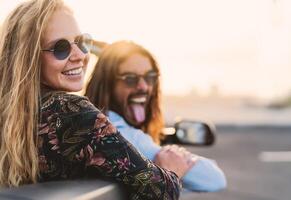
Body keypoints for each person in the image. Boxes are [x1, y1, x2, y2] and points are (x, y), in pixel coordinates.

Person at [0, 1, 183, 199]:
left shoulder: (9, 115)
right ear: (29, 58)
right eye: (60, 48)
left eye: (82, 42)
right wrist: (173, 171)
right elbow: (161, 190)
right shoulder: (72, 112)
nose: (79, 55)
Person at [85, 41, 227, 192]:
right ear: (108, 84)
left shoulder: (86, 122)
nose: (144, 86)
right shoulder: (125, 137)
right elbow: (215, 178)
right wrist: (172, 157)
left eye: (150, 77)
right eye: (130, 78)